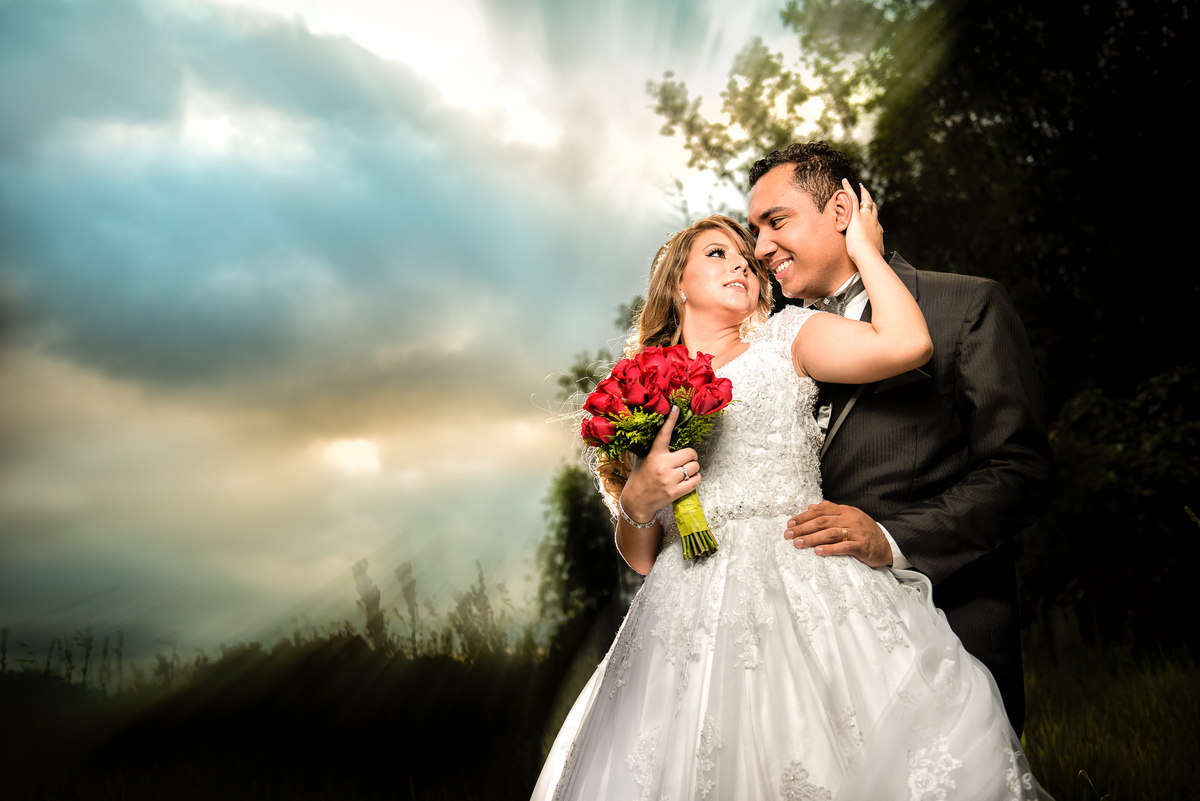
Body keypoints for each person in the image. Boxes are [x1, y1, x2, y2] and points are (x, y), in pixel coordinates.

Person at [532, 191, 1048, 799]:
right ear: (677, 283)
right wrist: (638, 500)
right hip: (685, 602)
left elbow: (907, 345)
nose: (742, 266)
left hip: (800, 572)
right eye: (718, 254)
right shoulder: (636, 386)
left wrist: (867, 252)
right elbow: (644, 555)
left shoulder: (787, 338)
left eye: (748, 262)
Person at [748, 142, 1054, 734]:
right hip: (807, 650)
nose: (759, 249)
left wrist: (889, 538)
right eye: (754, 231)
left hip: (946, 622)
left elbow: (1020, 471)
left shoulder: (964, 306)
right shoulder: (762, 347)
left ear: (842, 211)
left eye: (775, 222)